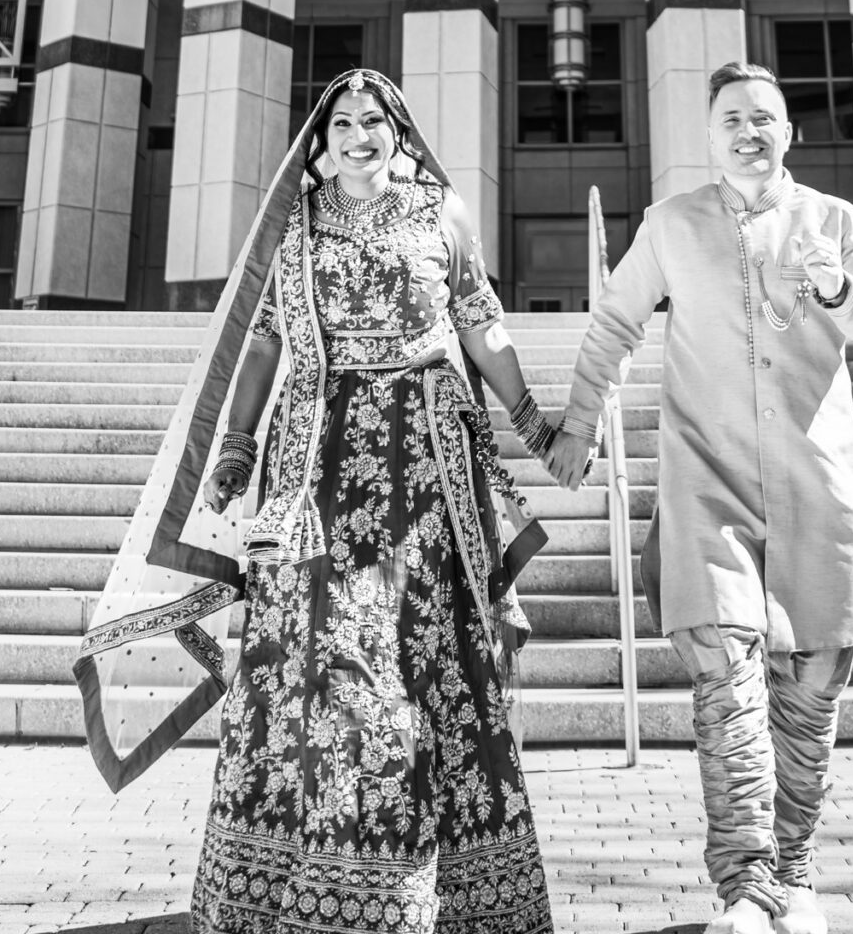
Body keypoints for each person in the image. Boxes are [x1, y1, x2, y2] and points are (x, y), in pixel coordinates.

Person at [74, 70, 561, 934]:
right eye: (342, 123)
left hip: (424, 475)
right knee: (313, 659)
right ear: (321, 139)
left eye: (374, 121)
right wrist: (236, 444)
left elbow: (479, 322)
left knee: (420, 662)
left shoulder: (441, 213)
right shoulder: (292, 225)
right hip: (314, 470)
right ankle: (288, 884)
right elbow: (265, 342)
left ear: (398, 133)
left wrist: (531, 422)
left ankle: (425, 894)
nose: (358, 135)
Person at [547, 60, 853, 934]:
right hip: (706, 485)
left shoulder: (838, 222)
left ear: (789, 132)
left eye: (763, 118)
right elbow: (614, 322)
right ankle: (745, 888)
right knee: (726, 682)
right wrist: (579, 423)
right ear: (710, 138)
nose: (749, 133)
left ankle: (794, 875)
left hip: (820, 485)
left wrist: (836, 287)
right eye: (732, 121)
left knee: (812, 691)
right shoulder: (671, 225)